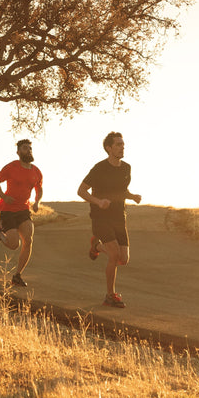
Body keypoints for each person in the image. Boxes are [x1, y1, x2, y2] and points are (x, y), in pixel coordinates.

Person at [78, 131, 142, 308]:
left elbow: (121, 190)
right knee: (113, 255)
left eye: (123, 144)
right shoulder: (99, 168)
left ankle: (96, 246)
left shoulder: (126, 168)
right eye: (118, 145)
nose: (122, 147)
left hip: (119, 217)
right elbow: (81, 191)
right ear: (109, 148)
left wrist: (132, 196)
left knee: (123, 259)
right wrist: (98, 202)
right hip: (101, 217)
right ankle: (110, 295)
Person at [0, 139, 43, 287]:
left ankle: (17, 275)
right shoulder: (11, 167)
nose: (28, 151)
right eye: (25, 148)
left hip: (24, 210)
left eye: (30, 148)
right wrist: (4, 196)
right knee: (14, 245)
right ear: (18, 152)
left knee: (28, 241)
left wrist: (37, 202)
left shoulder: (36, 171)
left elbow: (39, 188)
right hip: (8, 211)